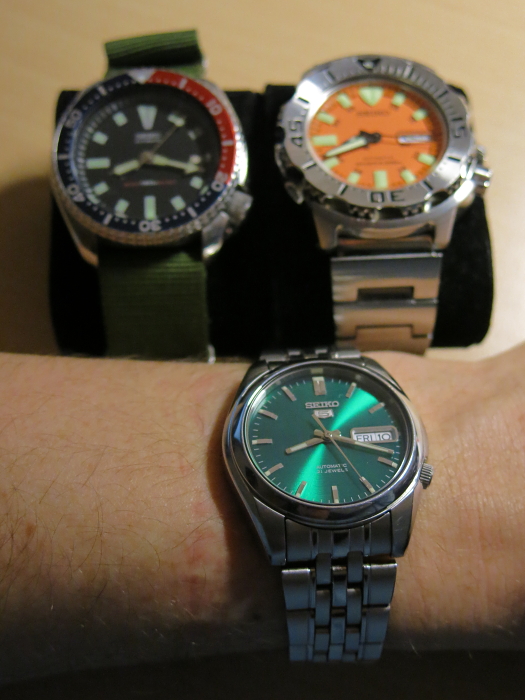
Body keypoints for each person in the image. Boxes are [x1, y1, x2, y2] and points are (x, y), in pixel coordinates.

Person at [0, 344, 524, 684]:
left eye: (333, 431)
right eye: (323, 434)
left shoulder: (401, 454)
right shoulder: (251, 447)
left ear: (419, 468)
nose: (328, 435)